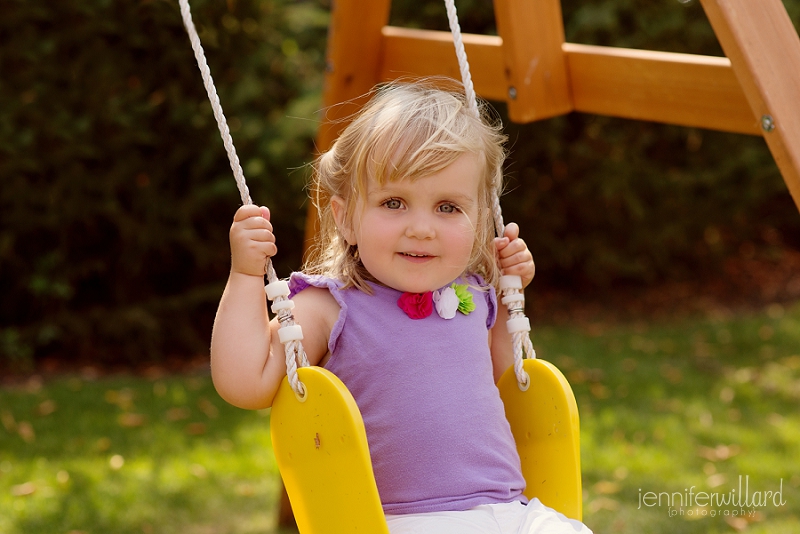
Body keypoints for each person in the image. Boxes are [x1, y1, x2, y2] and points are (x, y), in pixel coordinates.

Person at [210, 82, 592, 534]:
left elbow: (514, 383)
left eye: (447, 207)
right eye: (394, 202)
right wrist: (245, 276)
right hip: (400, 522)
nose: (422, 228)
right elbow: (244, 382)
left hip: (510, 512)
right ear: (346, 217)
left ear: (479, 220)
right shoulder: (330, 306)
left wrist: (511, 300)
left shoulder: (477, 297)